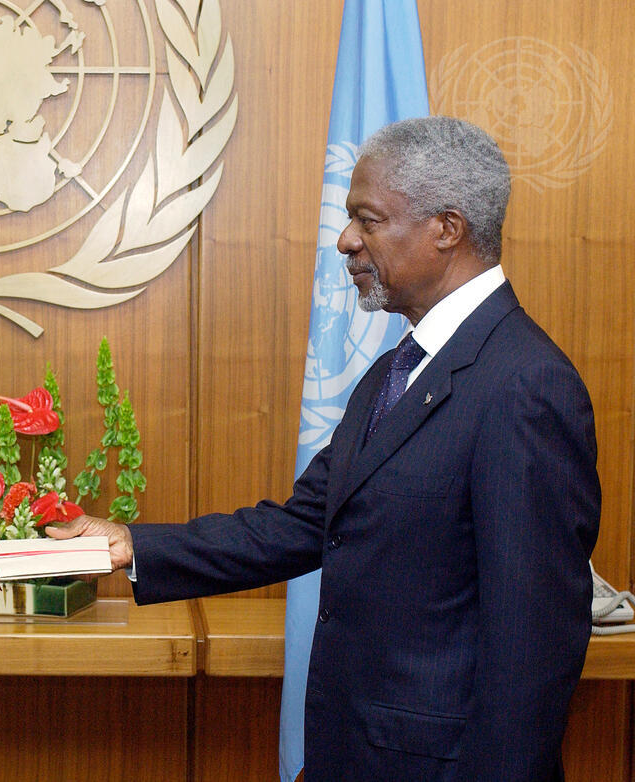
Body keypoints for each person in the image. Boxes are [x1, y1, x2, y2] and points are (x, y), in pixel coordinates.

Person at [50, 116, 599, 782]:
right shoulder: (397, 370)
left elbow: (534, 644)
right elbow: (305, 524)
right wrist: (130, 545)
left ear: (447, 229)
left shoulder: (525, 385)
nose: (345, 241)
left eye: (368, 220)